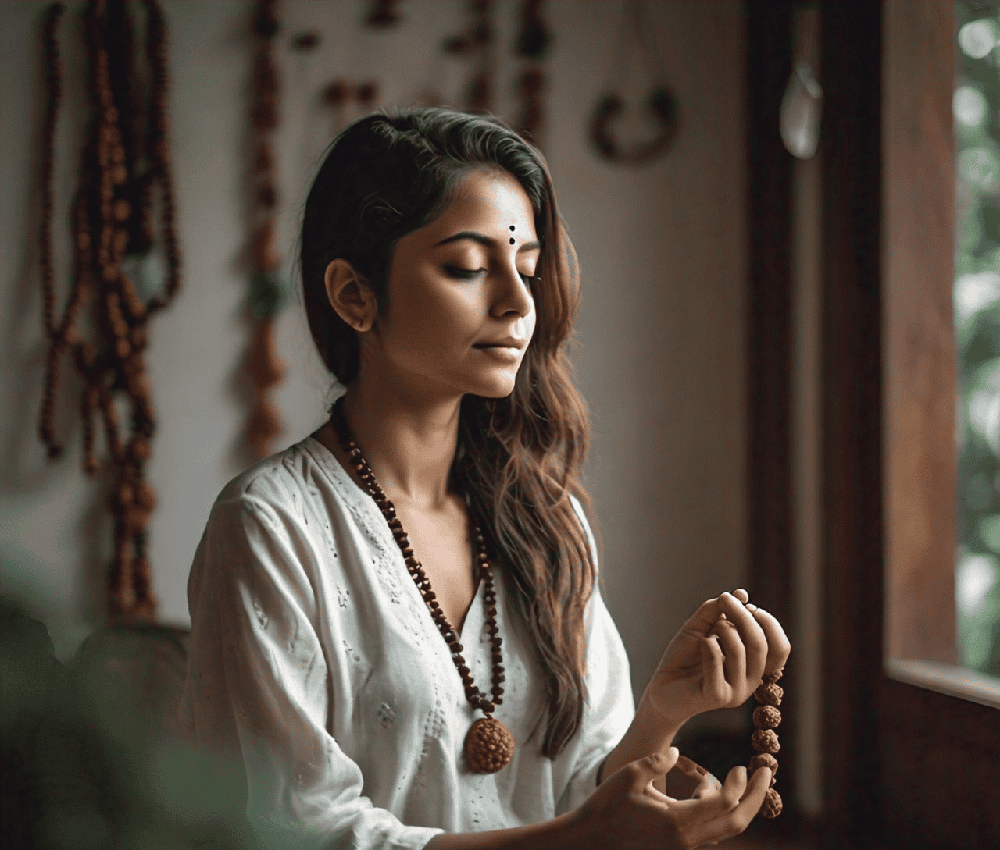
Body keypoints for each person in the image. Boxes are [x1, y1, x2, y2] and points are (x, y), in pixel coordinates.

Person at [178, 106, 791, 850]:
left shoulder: (546, 515)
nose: (518, 302)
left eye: (526, 268)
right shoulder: (271, 526)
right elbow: (297, 831)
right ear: (354, 295)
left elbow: (580, 803)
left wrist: (664, 711)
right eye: (468, 267)